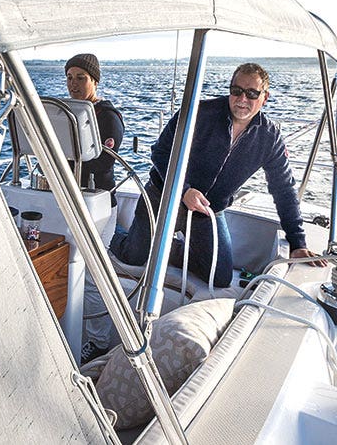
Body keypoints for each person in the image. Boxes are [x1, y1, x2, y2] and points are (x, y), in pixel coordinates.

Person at [110, 62, 326, 295]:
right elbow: (161, 152)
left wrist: (297, 244)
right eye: (236, 90)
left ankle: (167, 246)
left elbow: (284, 190)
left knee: (220, 276)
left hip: (208, 210)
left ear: (265, 97)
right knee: (133, 258)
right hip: (165, 196)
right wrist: (184, 190)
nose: (242, 98)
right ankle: (117, 232)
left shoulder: (269, 137)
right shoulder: (198, 113)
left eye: (252, 93)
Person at [64, 54, 125, 364]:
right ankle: (69, 332)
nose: (74, 84)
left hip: (100, 206)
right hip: (70, 202)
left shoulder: (108, 117)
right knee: (67, 269)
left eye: (81, 78)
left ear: (95, 81)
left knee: (91, 277)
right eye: (70, 77)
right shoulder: (66, 112)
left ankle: (99, 342)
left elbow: (103, 161)